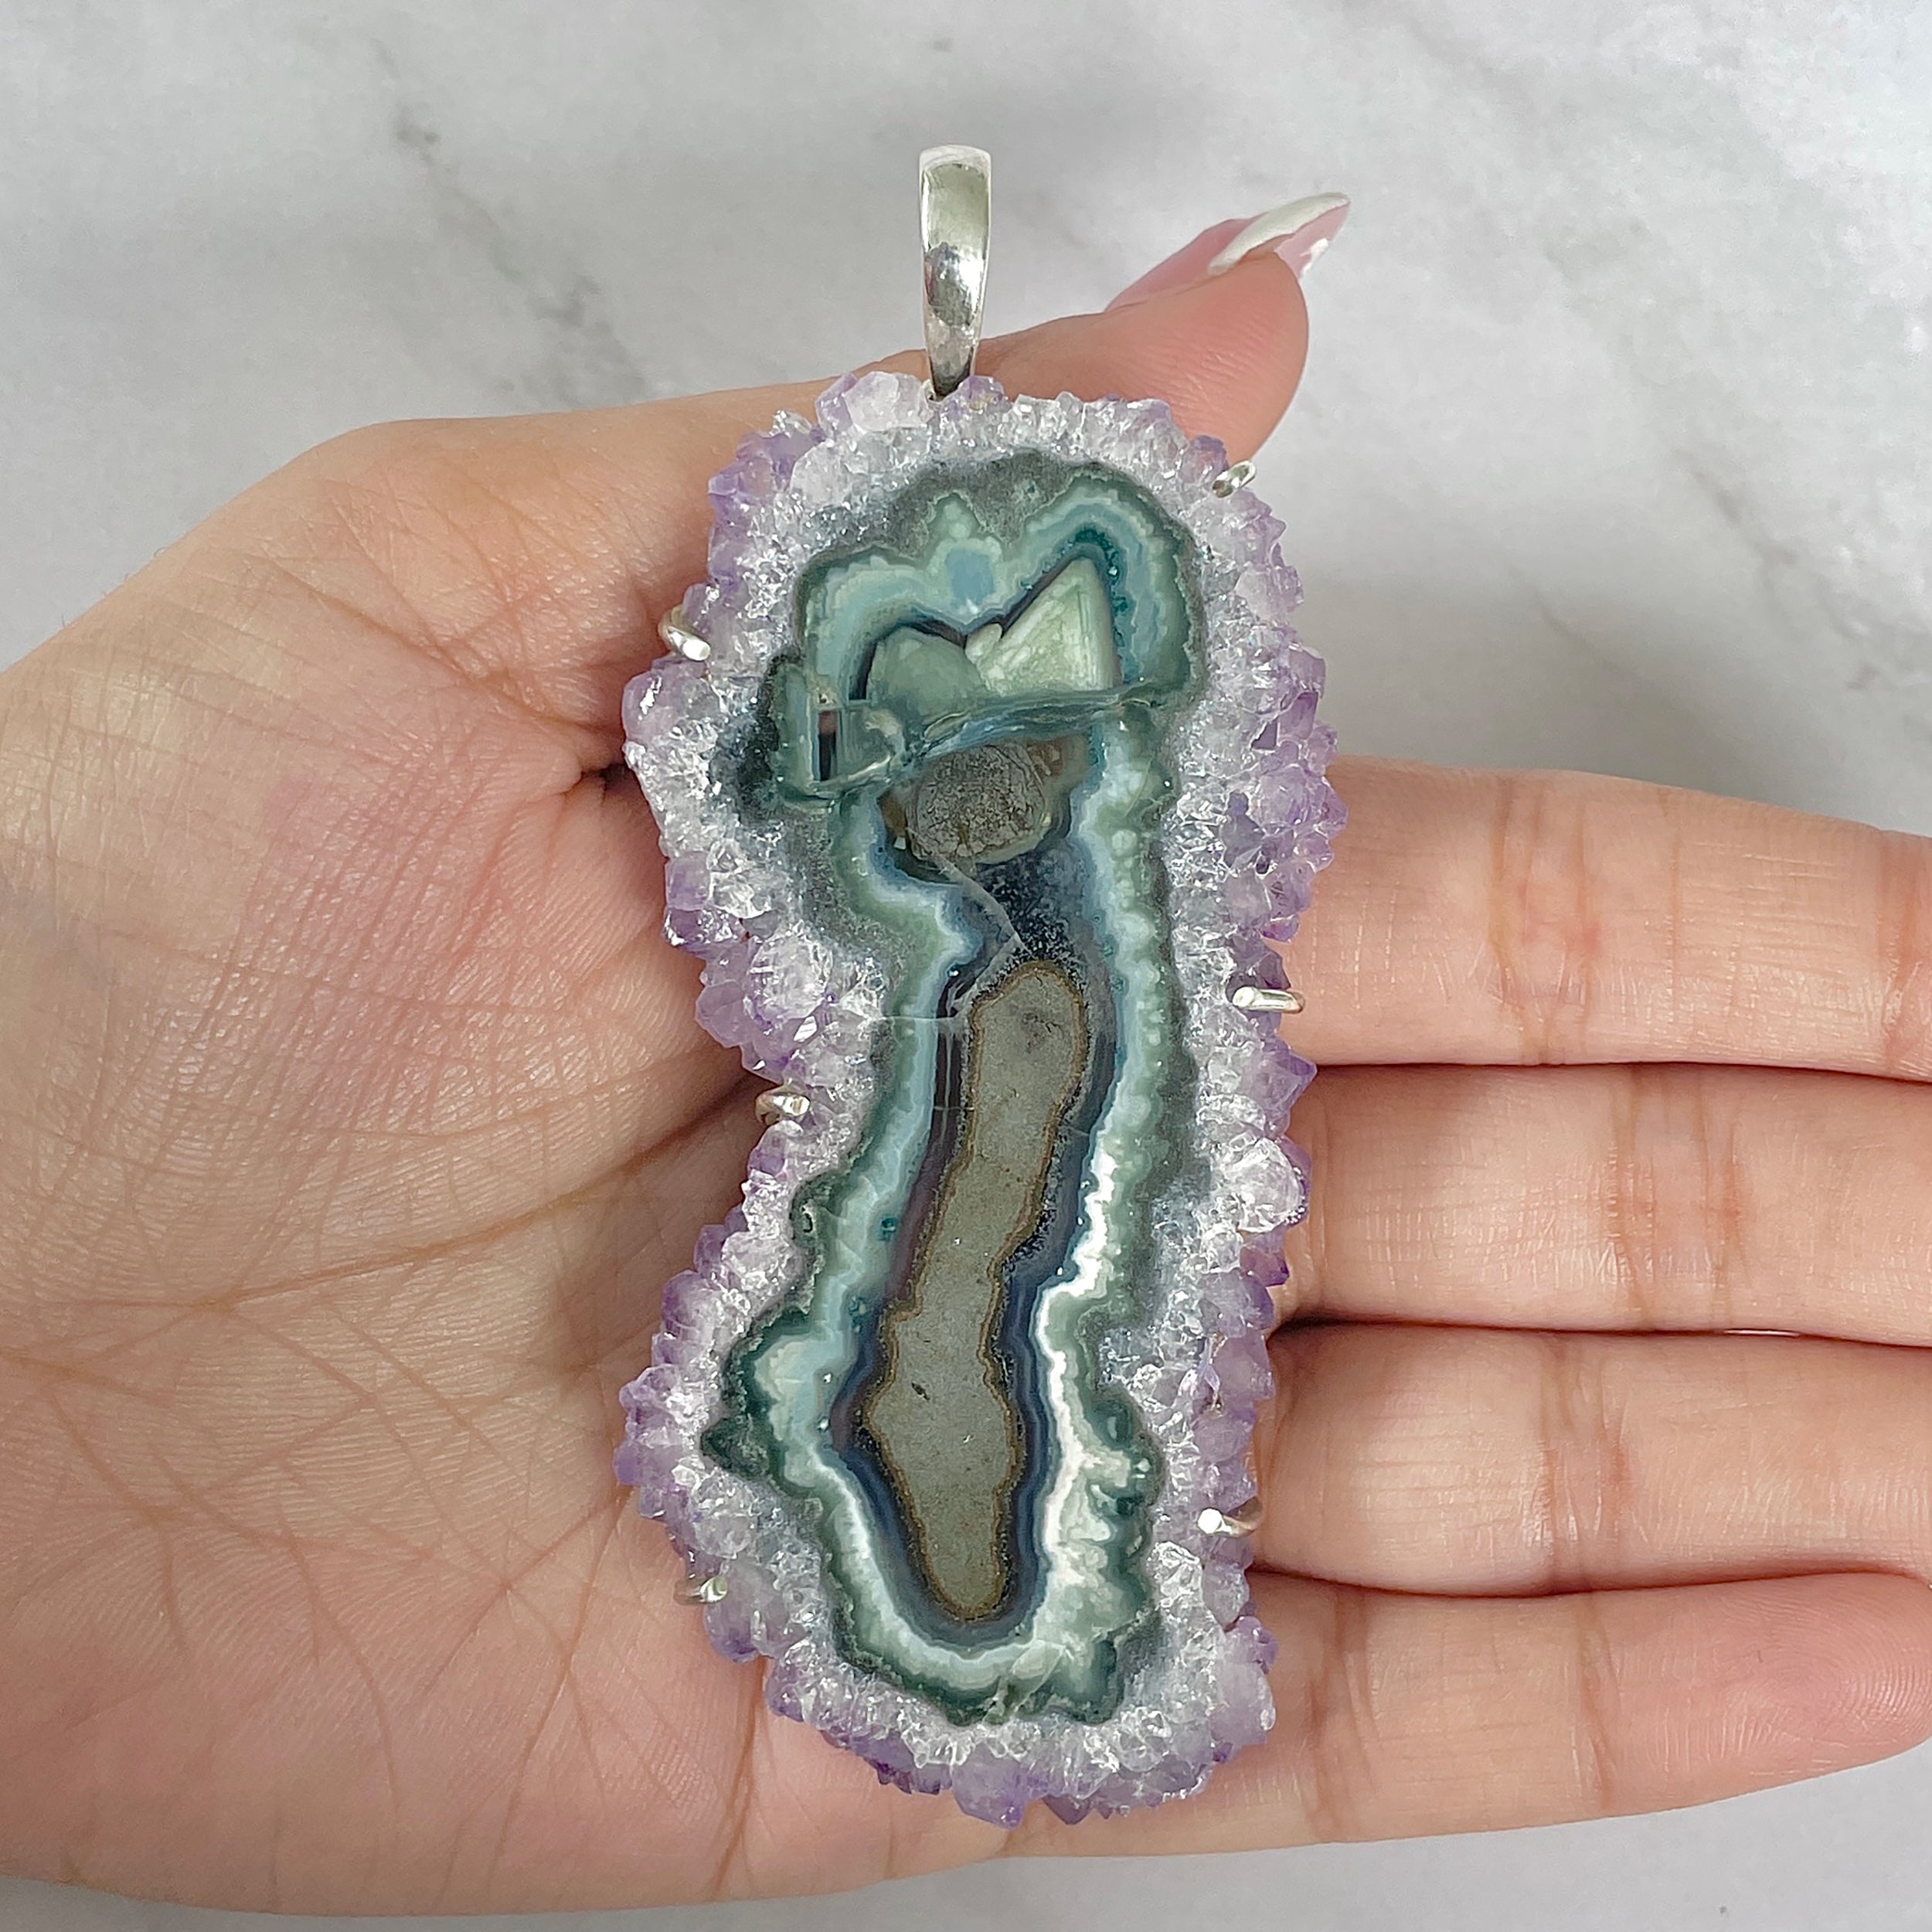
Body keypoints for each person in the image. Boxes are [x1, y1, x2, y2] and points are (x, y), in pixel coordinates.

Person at [1, 214, 1928, 1918]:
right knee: (985, 1161)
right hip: (894, 1323)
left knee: (1026, 1136)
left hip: (1005, 1197)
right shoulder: (908, 793)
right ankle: (988, 1599)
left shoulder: (1067, 804)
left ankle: (1014, 1603)